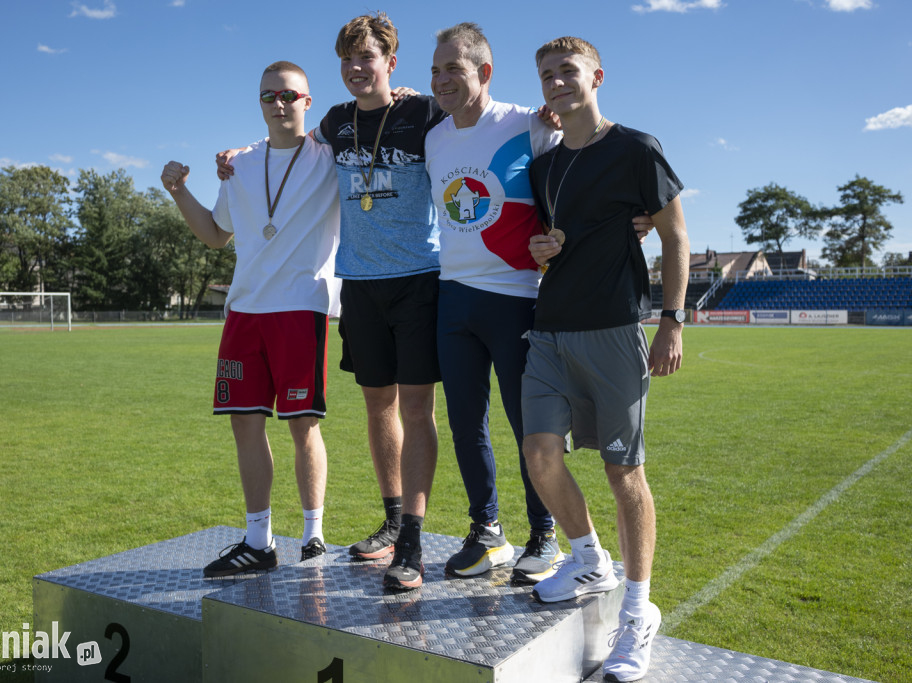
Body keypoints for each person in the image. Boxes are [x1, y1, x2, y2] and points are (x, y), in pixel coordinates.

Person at [220, 13, 447, 592]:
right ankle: (394, 520)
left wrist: (544, 123)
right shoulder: (335, 123)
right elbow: (286, 145)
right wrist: (240, 154)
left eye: (366, 58)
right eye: (347, 59)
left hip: (420, 276)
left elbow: (476, 128)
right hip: (360, 285)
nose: (355, 68)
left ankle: (416, 540)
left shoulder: (423, 112)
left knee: (419, 409)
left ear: (391, 63)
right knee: (379, 408)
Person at [425, 23, 654, 585]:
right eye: (434, 70)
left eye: (454, 67)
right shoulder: (432, 138)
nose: (442, 79)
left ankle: (544, 536)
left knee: (531, 429)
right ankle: (487, 533)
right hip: (452, 296)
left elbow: (578, 183)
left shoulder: (531, 123)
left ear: (485, 71)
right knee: (464, 423)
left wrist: (634, 221)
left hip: (518, 297)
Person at [521, 37, 689, 683]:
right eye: (547, 74)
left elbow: (674, 235)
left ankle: (639, 611)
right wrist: (542, 246)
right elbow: (553, 239)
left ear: (596, 75)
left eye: (568, 70)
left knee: (626, 475)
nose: (558, 81)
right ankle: (588, 557)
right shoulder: (546, 165)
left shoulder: (636, 149)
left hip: (615, 330)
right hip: (549, 330)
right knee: (540, 453)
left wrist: (671, 321)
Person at [161, 61, 340, 578]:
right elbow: (217, 235)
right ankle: (259, 540)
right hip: (244, 311)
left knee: (303, 425)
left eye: (289, 95)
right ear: (259, 103)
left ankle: (313, 535)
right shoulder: (237, 165)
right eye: (269, 96)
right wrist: (178, 191)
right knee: (245, 423)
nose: (279, 104)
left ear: (308, 101)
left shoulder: (330, 159)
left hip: (300, 307)